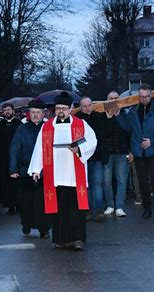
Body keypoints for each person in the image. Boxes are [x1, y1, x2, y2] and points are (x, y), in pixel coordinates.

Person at [28, 91, 97, 250]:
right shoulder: (47, 127)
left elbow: (93, 141)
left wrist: (79, 149)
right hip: (55, 175)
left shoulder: (81, 125)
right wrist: (36, 169)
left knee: (75, 209)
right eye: (58, 108)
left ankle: (77, 239)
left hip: (74, 174)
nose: (61, 111)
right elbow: (39, 148)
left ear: (71, 108)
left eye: (64, 108)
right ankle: (60, 239)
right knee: (59, 209)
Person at [115, 84, 154, 220]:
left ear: (151, 95)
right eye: (141, 97)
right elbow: (128, 127)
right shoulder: (134, 110)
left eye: (146, 96)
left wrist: (152, 141)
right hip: (139, 152)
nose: (144, 99)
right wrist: (118, 116)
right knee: (142, 182)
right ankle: (146, 209)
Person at [9, 99, 50, 238]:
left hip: (45, 171)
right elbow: (15, 149)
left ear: (43, 113)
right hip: (26, 170)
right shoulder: (21, 129)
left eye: (38, 112)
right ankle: (26, 223)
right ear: (29, 113)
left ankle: (44, 228)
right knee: (26, 201)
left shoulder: (48, 128)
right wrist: (13, 169)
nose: (35, 115)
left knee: (43, 201)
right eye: (33, 112)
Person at [0, 103, 21, 215]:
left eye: (8, 110)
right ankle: (9, 205)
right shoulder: (0, 125)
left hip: (16, 158)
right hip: (3, 160)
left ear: (13, 111)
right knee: (6, 182)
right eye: (5, 110)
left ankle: (19, 204)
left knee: (16, 182)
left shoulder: (18, 124)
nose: (7, 112)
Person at [75, 97, 105, 222]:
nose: (87, 108)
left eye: (89, 105)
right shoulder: (76, 120)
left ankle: (98, 210)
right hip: (82, 158)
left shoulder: (99, 117)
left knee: (97, 183)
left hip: (97, 156)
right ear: (80, 107)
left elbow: (102, 135)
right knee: (84, 185)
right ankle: (86, 209)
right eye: (84, 106)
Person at [101, 91, 130, 217]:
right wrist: (109, 118)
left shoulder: (125, 114)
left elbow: (129, 131)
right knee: (106, 181)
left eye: (116, 98)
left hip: (122, 153)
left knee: (122, 180)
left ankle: (119, 206)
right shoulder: (102, 116)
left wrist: (131, 151)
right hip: (107, 153)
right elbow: (104, 134)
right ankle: (110, 205)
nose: (113, 100)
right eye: (110, 98)